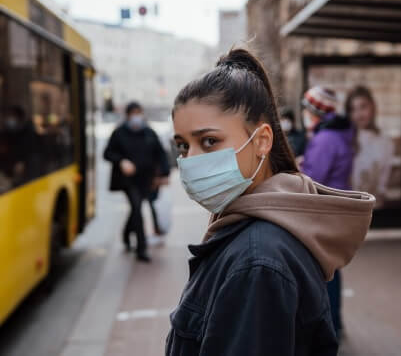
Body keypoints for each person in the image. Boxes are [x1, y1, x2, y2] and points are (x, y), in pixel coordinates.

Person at [166, 49, 374, 355]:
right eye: (183, 146)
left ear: (262, 141)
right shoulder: (255, 236)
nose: (190, 161)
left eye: (210, 141)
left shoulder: (257, 262)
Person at [301, 86, 354, 339]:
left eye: (307, 108)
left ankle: (331, 326)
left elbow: (314, 178)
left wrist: (298, 171)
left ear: (316, 111)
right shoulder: (336, 134)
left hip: (325, 209)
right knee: (331, 268)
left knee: (326, 270)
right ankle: (336, 323)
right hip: (336, 206)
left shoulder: (325, 139)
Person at [104, 102, 170, 262]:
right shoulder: (119, 133)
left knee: (136, 208)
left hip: (146, 179)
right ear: (127, 115)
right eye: (133, 113)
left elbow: (161, 154)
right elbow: (107, 153)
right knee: (137, 208)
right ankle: (141, 248)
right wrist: (121, 161)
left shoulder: (149, 132)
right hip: (128, 181)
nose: (136, 117)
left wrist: (164, 173)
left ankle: (126, 235)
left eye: (138, 113)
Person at [345, 86, 394, 208]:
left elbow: (384, 177)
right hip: (350, 207)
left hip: (376, 207)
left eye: (363, 107)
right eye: (353, 109)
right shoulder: (344, 140)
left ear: (372, 107)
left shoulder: (385, 142)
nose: (358, 114)